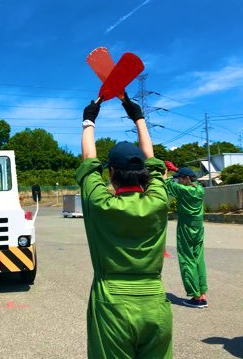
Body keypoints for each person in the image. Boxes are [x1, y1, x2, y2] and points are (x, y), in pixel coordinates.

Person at [76, 94, 172, 359]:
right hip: (155, 300)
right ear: (144, 173)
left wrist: (89, 120)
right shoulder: (158, 200)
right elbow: (152, 158)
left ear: (111, 173)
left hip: (112, 302)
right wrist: (138, 116)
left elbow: (88, 159)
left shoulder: (99, 204)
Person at [164, 165, 208, 309]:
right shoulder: (200, 189)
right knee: (198, 258)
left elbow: (167, 183)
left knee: (187, 258)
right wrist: (177, 170)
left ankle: (196, 297)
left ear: (187, 179)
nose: (178, 181)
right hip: (198, 227)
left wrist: (167, 172)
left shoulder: (184, 190)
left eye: (180, 179)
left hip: (186, 227)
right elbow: (180, 182)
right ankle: (202, 294)